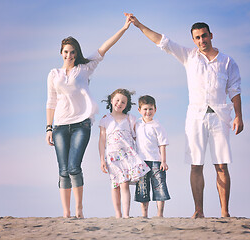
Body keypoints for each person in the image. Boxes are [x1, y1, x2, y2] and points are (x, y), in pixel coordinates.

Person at [127, 13, 244, 218]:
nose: (202, 40)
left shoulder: (227, 62)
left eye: (204, 36)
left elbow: (234, 90)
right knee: (196, 164)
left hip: (219, 116)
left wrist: (238, 116)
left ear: (211, 35)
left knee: (221, 165)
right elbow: (162, 41)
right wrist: (138, 25)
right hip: (195, 117)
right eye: (197, 37)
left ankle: (225, 211)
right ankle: (198, 211)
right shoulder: (189, 56)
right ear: (193, 40)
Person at [45, 16, 132, 219]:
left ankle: (79, 209)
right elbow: (50, 102)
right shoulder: (53, 74)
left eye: (73, 52)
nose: (69, 55)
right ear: (61, 53)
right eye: (66, 52)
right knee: (63, 169)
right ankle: (66, 213)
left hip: (81, 125)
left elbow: (104, 48)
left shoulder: (84, 68)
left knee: (74, 167)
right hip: (59, 126)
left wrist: (124, 28)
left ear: (77, 54)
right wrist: (48, 128)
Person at [98, 89, 150, 218]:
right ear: (111, 101)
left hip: (127, 156)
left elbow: (137, 137)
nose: (119, 103)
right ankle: (118, 214)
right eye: (117, 100)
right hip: (112, 157)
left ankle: (126, 214)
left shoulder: (130, 118)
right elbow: (102, 141)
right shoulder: (105, 120)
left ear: (127, 104)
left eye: (123, 102)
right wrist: (102, 160)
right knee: (115, 185)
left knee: (124, 184)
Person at [134, 95, 170, 218]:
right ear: (139, 110)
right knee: (143, 188)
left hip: (156, 161)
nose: (148, 112)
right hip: (141, 161)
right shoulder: (137, 125)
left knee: (159, 186)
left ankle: (160, 214)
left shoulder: (157, 126)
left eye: (150, 109)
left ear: (155, 109)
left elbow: (162, 144)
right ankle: (144, 215)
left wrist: (163, 161)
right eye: (145, 109)